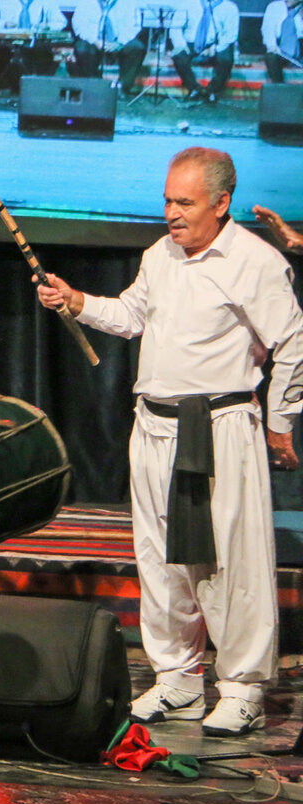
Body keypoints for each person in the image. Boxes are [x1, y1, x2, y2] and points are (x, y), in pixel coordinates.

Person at [37, 147, 303, 737]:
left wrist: (282, 421)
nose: (172, 214)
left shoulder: (253, 263)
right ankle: (179, 677)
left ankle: (241, 686)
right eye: (167, 201)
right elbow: (133, 314)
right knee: (160, 558)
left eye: (184, 203)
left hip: (219, 426)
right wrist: (76, 303)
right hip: (154, 423)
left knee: (229, 560)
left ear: (221, 203)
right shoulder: (160, 253)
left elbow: (293, 341)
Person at [69, 0, 146, 95]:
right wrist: (94, 40)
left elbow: (134, 26)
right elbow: (79, 25)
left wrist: (120, 43)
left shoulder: (128, 2)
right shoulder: (86, 2)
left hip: (119, 41)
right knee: (82, 48)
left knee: (137, 47)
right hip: (95, 41)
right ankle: (94, 86)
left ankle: (123, 88)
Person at [0, 0, 67, 91]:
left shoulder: (46, 2)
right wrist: (4, 23)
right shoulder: (3, 2)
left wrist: (48, 26)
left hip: (36, 44)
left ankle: (35, 90)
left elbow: (61, 22)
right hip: (9, 43)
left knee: (43, 54)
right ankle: (13, 89)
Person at [169, 0, 239, 103]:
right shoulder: (187, 3)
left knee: (226, 59)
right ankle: (194, 88)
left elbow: (230, 34)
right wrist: (181, 45)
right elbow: (175, 28)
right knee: (178, 56)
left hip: (215, 43)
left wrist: (215, 48)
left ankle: (212, 91)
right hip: (191, 42)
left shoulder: (230, 7)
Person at [262, 0, 303, 84]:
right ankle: (279, 87)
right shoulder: (275, 7)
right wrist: (271, 45)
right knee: (271, 57)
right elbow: (268, 29)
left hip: (299, 49)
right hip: (281, 51)